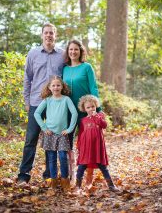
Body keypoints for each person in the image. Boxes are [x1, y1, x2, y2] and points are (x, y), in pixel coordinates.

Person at [17, 23, 65, 184]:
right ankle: (23, 176)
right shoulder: (33, 53)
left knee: (51, 140)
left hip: (54, 104)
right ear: (42, 35)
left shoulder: (62, 55)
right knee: (31, 139)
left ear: (55, 35)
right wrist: (27, 101)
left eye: (51, 33)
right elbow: (27, 79)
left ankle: (49, 175)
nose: (49, 35)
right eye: (46, 33)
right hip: (36, 103)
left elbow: (65, 79)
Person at [63, 39, 101, 185]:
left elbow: (94, 88)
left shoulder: (87, 67)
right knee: (67, 144)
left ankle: (89, 177)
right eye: (70, 49)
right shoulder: (64, 69)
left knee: (88, 144)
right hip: (68, 112)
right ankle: (72, 175)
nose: (73, 52)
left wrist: (97, 109)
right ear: (68, 52)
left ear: (80, 51)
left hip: (86, 112)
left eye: (76, 49)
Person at [34, 76, 78, 191]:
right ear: (49, 87)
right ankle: (53, 182)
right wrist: (44, 127)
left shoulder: (66, 99)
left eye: (58, 85)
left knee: (63, 157)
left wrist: (69, 129)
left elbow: (74, 113)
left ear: (62, 86)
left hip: (62, 134)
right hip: (49, 134)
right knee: (51, 158)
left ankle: (65, 181)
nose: (56, 87)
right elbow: (37, 113)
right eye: (53, 85)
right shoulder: (47, 100)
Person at [75, 95, 119, 192]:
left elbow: (104, 125)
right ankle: (77, 186)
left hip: (97, 147)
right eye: (88, 107)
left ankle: (111, 185)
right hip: (86, 148)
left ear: (96, 106)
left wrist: (96, 116)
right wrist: (79, 147)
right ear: (84, 109)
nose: (91, 109)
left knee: (103, 167)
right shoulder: (82, 121)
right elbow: (81, 135)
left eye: (93, 106)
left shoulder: (100, 116)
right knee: (81, 167)